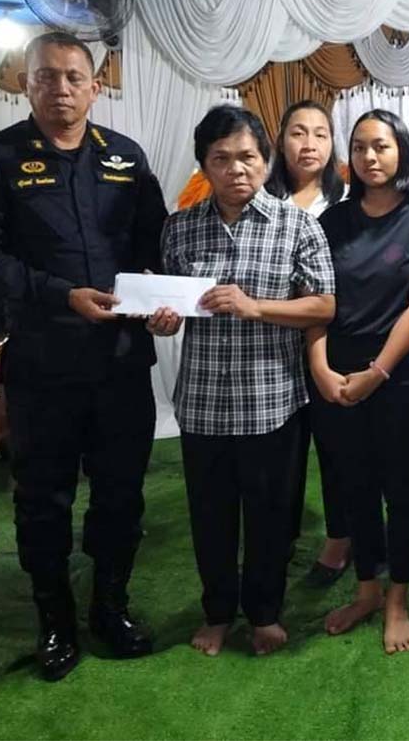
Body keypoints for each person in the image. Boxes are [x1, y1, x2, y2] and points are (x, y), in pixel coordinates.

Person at [0, 31, 170, 681]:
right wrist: (62, 295)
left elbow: (154, 245)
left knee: (121, 495)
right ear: (23, 84)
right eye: (46, 76)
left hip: (120, 364)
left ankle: (109, 607)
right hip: (43, 366)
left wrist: (164, 300)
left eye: (73, 77)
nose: (60, 89)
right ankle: (55, 620)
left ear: (95, 87)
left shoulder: (125, 156)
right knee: (43, 500)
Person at [159, 105, 335, 657]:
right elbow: (172, 304)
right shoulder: (180, 228)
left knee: (270, 518)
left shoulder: (297, 225)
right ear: (204, 165)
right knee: (210, 518)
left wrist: (256, 306)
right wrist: (163, 319)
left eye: (247, 157)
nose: (236, 169)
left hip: (271, 403)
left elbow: (324, 305)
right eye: (221, 158)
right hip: (203, 403)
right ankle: (217, 613)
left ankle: (264, 614)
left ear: (265, 160)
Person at [307, 109, 409, 654]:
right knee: (354, 486)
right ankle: (366, 590)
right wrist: (321, 368)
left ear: (401, 151)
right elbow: (316, 300)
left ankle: (397, 600)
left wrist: (378, 373)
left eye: (382, 146)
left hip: (403, 376)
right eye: (360, 147)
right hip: (339, 377)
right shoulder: (331, 222)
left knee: (401, 486)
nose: (370, 157)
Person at [265, 100, 352, 587]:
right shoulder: (261, 199)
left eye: (321, 134)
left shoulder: (347, 203)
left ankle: (339, 539)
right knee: (281, 455)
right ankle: (279, 539)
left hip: (334, 346)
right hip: (271, 348)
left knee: (336, 450)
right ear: (281, 141)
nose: (310, 144)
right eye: (299, 132)